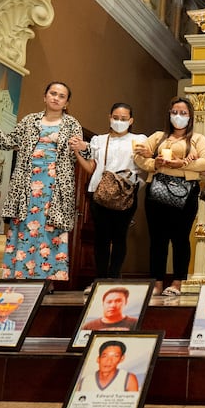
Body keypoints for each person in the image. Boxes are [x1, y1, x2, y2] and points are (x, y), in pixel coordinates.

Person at [0, 82, 84, 281]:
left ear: (66, 102)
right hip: (26, 185)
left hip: (55, 187)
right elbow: (6, 142)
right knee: (24, 227)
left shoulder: (72, 124)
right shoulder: (29, 121)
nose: (56, 98)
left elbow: (80, 155)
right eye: (53, 93)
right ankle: (18, 278)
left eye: (61, 96)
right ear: (45, 96)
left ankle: (45, 283)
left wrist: (84, 147)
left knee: (50, 230)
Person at [135, 97, 205, 296]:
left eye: (183, 113)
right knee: (157, 240)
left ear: (190, 117)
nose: (178, 117)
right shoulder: (158, 137)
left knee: (180, 239)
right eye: (175, 113)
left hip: (186, 193)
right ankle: (157, 283)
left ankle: (177, 282)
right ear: (169, 114)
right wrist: (155, 162)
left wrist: (183, 165)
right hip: (156, 191)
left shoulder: (197, 139)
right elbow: (138, 155)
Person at [75, 103, 147, 290]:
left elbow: (145, 164)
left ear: (131, 121)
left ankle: (113, 278)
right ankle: (99, 279)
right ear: (109, 117)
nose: (119, 122)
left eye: (124, 119)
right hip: (100, 192)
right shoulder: (99, 140)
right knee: (101, 237)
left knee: (120, 236)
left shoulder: (139, 139)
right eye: (116, 118)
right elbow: (92, 168)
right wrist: (78, 152)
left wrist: (147, 154)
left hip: (126, 193)